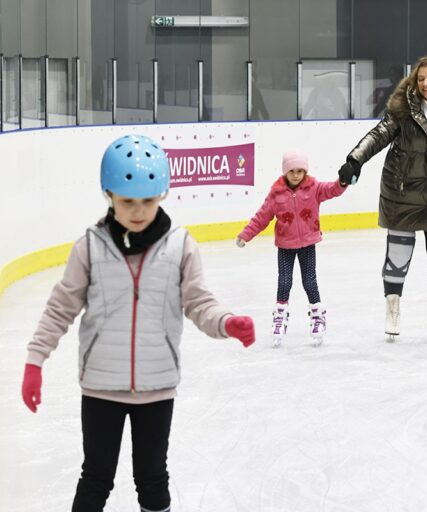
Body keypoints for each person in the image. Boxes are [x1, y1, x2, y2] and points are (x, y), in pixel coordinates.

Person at [20, 134, 256, 512]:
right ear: (108, 195)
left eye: (148, 200)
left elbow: (198, 302)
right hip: (100, 388)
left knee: (152, 478)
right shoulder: (91, 247)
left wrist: (226, 323)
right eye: (127, 201)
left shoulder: (180, 247)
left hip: (157, 388)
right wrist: (35, 360)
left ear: (162, 194)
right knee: (96, 477)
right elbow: (60, 307)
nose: (138, 210)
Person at [337, 55, 427, 342]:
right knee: (398, 253)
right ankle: (392, 308)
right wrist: (355, 160)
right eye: (420, 79)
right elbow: (379, 135)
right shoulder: (404, 111)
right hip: (402, 191)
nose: (425, 83)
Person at [236, 149, 346, 347]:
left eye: (300, 171)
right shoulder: (276, 193)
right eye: (292, 171)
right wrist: (246, 235)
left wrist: (343, 181)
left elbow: (333, 190)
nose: (296, 175)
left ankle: (317, 316)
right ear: (285, 172)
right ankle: (280, 316)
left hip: (308, 244)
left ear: (305, 172)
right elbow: (262, 217)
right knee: (284, 282)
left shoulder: (314, 188)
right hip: (285, 246)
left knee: (309, 282)